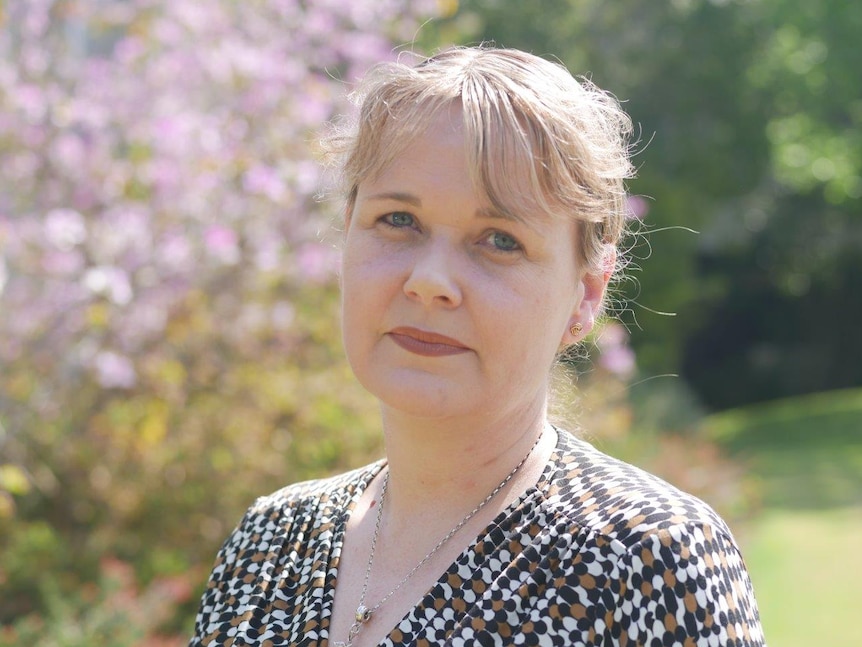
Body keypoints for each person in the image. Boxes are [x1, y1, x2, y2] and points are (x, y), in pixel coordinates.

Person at [188, 46, 765, 646]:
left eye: (498, 239)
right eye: (398, 221)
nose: (430, 281)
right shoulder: (268, 546)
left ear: (585, 294)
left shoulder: (646, 563)